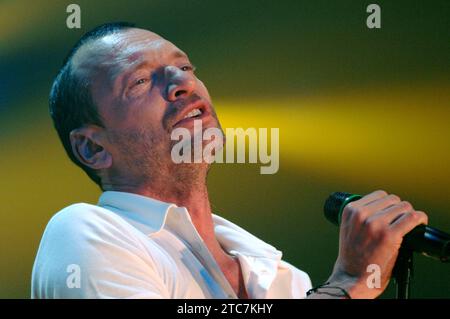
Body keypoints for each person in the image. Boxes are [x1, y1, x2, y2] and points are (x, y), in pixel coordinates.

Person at [31, 22, 428, 299]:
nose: (182, 83)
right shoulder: (83, 232)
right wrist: (347, 284)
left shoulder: (285, 280)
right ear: (93, 148)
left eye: (184, 67)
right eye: (138, 81)